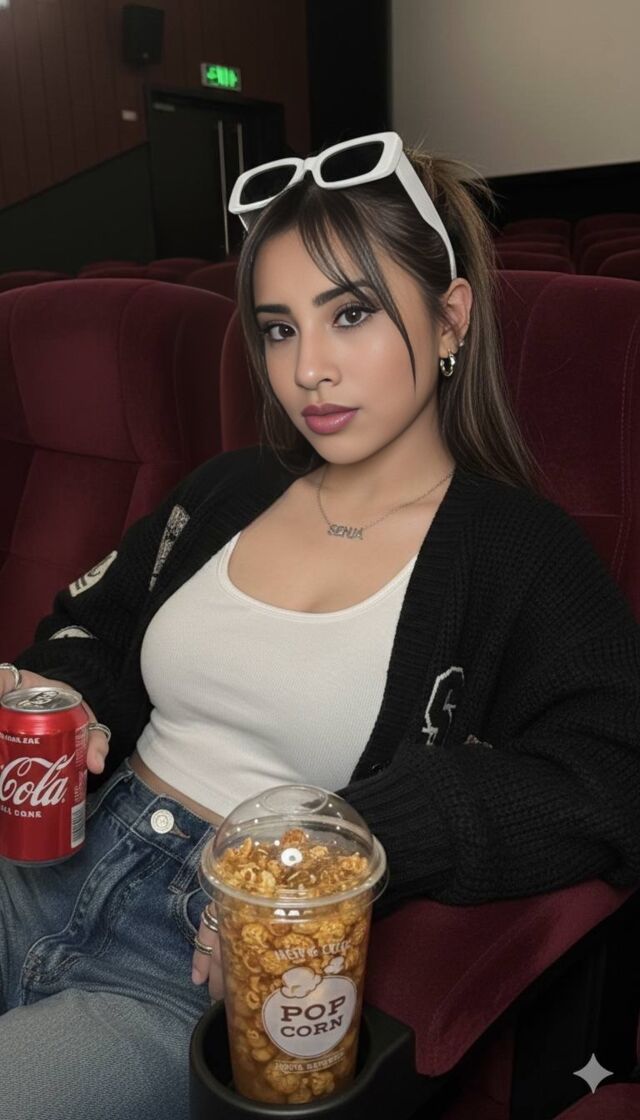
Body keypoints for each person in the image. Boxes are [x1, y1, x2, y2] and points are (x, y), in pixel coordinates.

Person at [1, 131, 639, 1120]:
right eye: (278, 327)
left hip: (199, 965)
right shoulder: (226, 488)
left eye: (350, 314)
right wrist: (63, 695)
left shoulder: (518, 549)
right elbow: (93, 624)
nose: (307, 369)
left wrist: (355, 844)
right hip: (46, 857)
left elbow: (610, 769)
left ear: (449, 319)